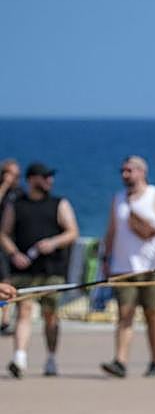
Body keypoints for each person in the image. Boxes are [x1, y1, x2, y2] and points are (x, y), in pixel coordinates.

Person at [99, 156, 155, 378]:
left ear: (142, 172)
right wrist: (106, 258)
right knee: (124, 313)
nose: (125, 175)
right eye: (122, 171)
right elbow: (111, 231)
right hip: (123, 266)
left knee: (152, 313)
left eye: (129, 170)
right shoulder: (118, 199)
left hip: (151, 267)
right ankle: (120, 361)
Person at [0, 162, 79, 378]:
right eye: (44, 177)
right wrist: (14, 253)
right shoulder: (16, 205)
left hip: (51, 269)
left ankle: (51, 358)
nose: (49, 181)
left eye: (50, 177)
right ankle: (19, 357)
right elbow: (4, 233)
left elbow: (72, 232)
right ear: (32, 179)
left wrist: (53, 243)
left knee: (51, 315)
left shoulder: (59, 203)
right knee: (24, 311)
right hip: (25, 270)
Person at [0, 158, 21, 335]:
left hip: (11, 244)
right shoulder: (4, 191)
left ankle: (5, 320)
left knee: (7, 281)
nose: (14, 178)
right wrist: (4, 185)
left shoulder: (19, 193)